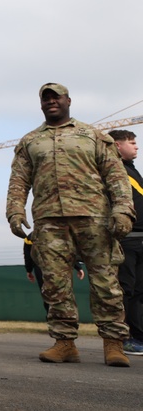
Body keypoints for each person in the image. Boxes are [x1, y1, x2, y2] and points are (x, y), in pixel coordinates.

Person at [6, 83, 135, 367]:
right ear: (41, 105)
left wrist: (123, 211)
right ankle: (64, 343)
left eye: (56, 97)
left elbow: (116, 176)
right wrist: (14, 212)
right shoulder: (30, 141)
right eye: (46, 98)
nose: (51, 101)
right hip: (49, 221)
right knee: (54, 284)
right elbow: (18, 181)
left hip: (95, 219)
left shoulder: (93, 136)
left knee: (106, 283)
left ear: (68, 101)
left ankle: (114, 345)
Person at [109, 129, 143, 356]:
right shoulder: (112, 171)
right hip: (126, 241)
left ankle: (140, 337)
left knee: (140, 291)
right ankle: (125, 338)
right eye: (132, 143)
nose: (136, 147)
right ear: (118, 146)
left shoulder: (133, 171)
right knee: (125, 290)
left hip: (141, 239)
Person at [23, 237, 84, 317]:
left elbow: (28, 255)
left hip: (41, 269)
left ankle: (53, 320)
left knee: (48, 294)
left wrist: (29, 270)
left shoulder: (31, 236)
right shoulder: (57, 232)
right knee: (63, 293)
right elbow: (66, 251)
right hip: (59, 267)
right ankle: (65, 320)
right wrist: (78, 267)